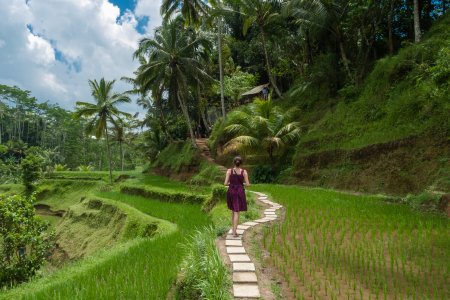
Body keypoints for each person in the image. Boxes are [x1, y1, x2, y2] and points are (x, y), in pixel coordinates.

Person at [224, 156, 250, 237]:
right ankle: (234, 232)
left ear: (234, 163)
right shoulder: (244, 172)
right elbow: (248, 184)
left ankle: (233, 230)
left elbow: (225, 183)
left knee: (233, 210)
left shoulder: (229, 171)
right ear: (241, 163)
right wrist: (242, 184)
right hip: (239, 192)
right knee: (236, 212)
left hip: (231, 191)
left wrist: (231, 184)